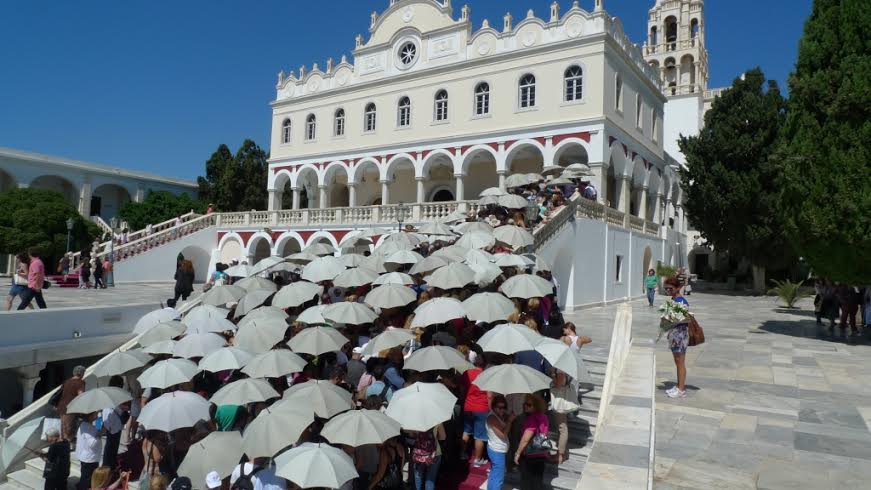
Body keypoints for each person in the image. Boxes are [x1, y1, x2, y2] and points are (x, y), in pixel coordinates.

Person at [514, 394, 549, 490]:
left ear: (536, 406)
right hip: (541, 453)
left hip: (529, 455)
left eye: (529, 405)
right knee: (537, 481)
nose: (525, 406)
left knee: (526, 482)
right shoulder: (544, 417)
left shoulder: (531, 419)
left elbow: (525, 439)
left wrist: (517, 453)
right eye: (525, 404)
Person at [460, 352, 489, 466]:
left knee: (466, 431)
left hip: (468, 405)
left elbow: (462, 390)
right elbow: (489, 394)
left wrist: (464, 401)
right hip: (481, 407)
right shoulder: (486, 375)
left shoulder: (467, 373)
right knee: (479, 435)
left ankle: (462, 453)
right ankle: (477, 459)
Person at [664, 276, 690, 399]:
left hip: (680, 334)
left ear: (678, 287)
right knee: (677, 361)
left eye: (670, 288)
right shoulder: (674, 300)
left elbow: (685, 319)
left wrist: (670, 318)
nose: (668, 291)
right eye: (666, 289)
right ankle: (679, 385)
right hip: (674, 334)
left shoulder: (681, 301)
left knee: (680, 362)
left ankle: (681, 389)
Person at [549, 369, 580, 464]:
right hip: (561, 401)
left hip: (560, 402)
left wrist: (553, 376)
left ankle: (560, 456)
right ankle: (563, 453)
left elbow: (559, 384)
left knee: (562, 428)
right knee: (562, 428)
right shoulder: (563, 368)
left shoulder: (560, 369)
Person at [485, 396, 511, 490]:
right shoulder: (492, 418)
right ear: (493, 406)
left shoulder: (497, 415)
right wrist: (510, 421)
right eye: (499, 407)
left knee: (494, 474)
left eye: (504, 407)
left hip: (496, 449)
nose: (502, 410)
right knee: (498, 478)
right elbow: (503, 435)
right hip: (497, 451)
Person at [57, 365, 87, 441]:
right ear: (82, 373)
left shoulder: (67, 381)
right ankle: (67, 446)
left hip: (61, 407)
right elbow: (81, 395)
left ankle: (63, 444)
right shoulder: (80, 382)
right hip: (71, 408)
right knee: (69, 430)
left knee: (63, 428)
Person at [412, 424, 445, 490]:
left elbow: (411, 436)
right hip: (434, 454)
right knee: (430, 480)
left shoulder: (413, 420)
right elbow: (443, 437)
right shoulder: (436, 419)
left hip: (418, 454)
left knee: (418, 479)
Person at [76, 412, 103, 490]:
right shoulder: (86, 427)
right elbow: (92, 443)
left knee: (86, 478)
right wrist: (100, 434)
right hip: (89, 459)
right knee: (87, 480)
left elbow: (97, 429)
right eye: (95, 414)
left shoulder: (87, 425)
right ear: (89, 416)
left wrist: (99, 418)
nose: (96, 415)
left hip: (90, 458)